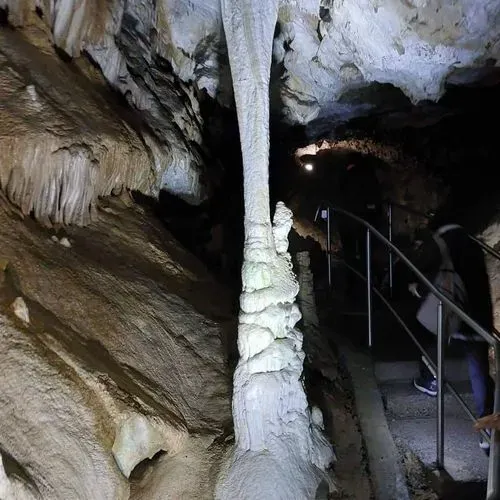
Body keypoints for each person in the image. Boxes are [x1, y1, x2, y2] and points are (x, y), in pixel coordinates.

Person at [408, 212, 495, 452]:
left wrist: (418, 289)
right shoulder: (472, 243)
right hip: (479, 317)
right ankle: (487, 431)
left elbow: (437, 277)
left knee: (432, 334)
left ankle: (431, 379)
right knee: (479, 372)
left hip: (455, 312)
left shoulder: (443, 242)